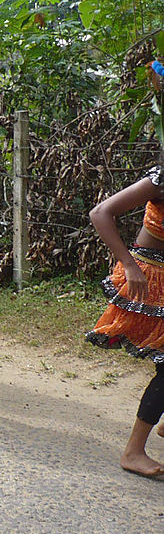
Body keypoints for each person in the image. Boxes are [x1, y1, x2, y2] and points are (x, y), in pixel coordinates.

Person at [86, 164, 164, 477]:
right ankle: (133, 451)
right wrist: (129, 266)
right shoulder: (161, 178)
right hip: (150, 278)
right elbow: (101, 213)